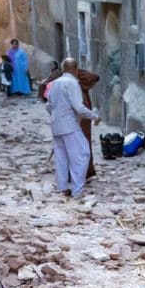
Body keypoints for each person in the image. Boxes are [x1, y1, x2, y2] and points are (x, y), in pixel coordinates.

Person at [45, 57, 100, 198]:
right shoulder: (72, 83)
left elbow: (48, 105)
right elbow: (79, 107)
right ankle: (77, 190)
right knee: (82, 154)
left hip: (56, 125)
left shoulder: (54, 83)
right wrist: (94, 116)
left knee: (62, 157)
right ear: (75, 69)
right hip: (69, 125)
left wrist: (57, 115)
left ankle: (63, 187)